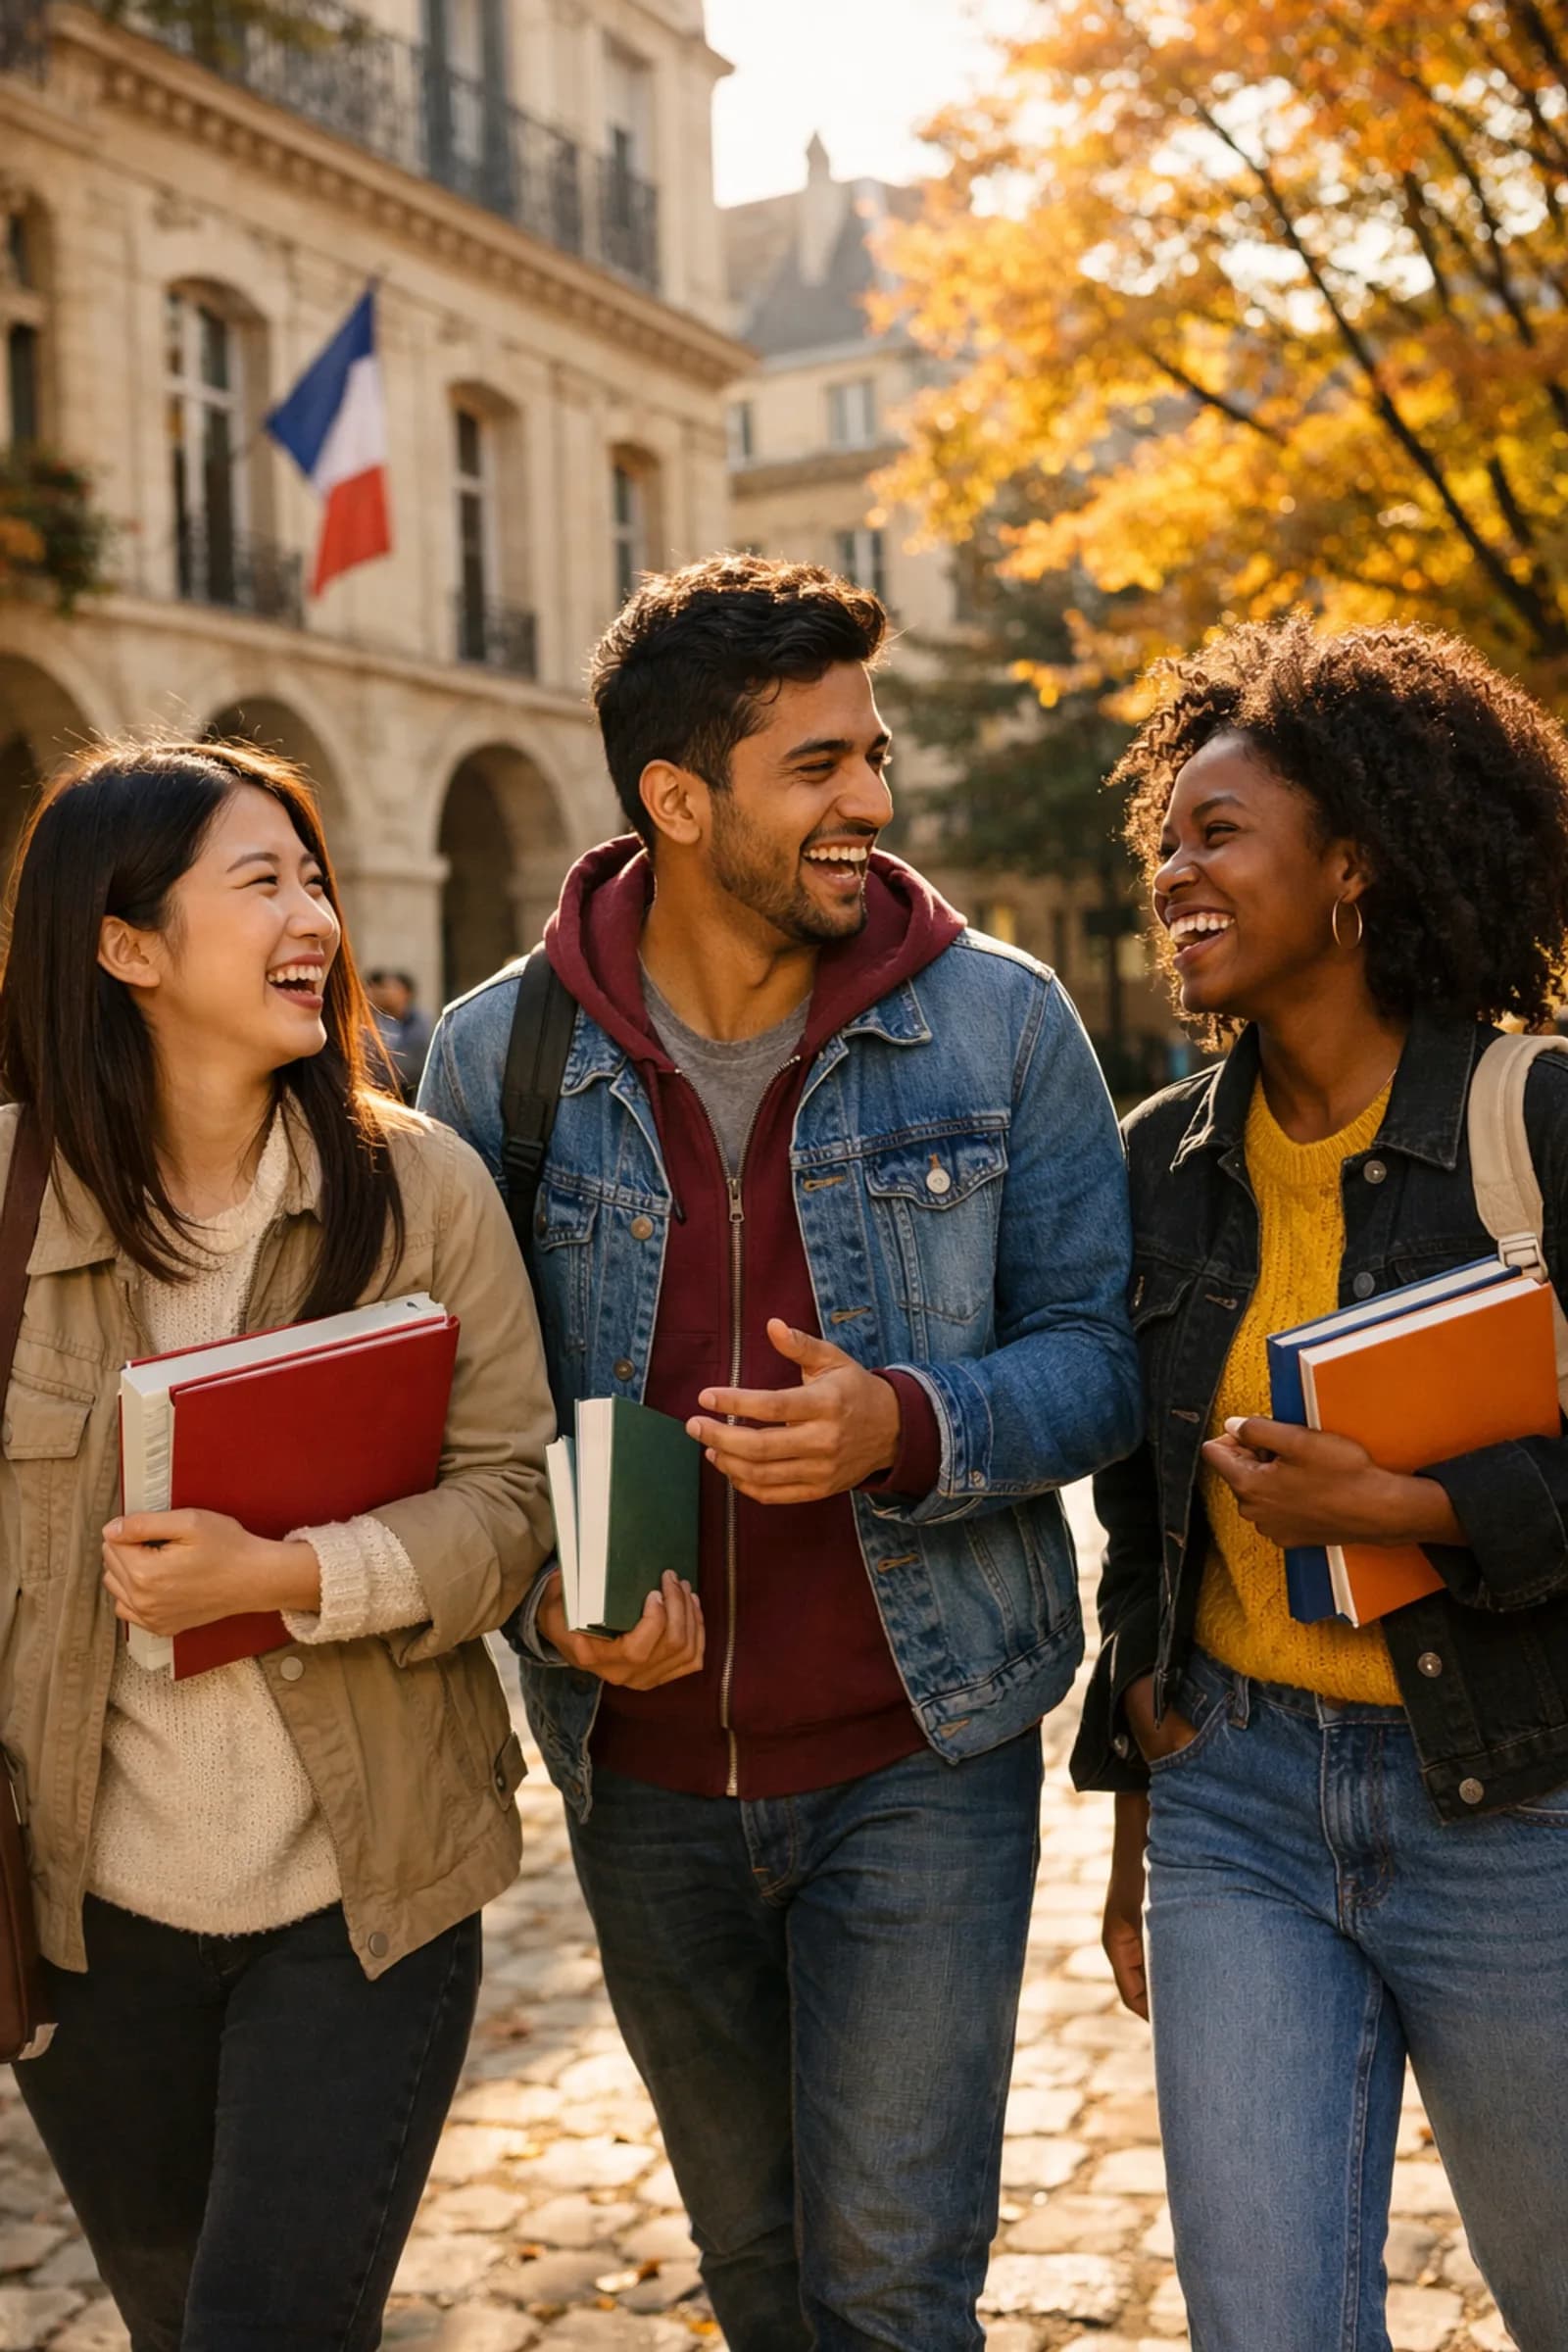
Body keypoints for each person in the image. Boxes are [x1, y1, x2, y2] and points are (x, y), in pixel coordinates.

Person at [418, 553, 1142, 2351]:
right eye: (816, 765)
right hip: (642, 1781)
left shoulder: (1000, 1018)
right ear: (679, 800)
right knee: (759, 2281)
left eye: (871, 754)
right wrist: (551, 1617)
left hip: (925, 1751)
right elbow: (462, 1430)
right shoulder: (495, 1062)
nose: (872, 801)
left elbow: (1104, 1366)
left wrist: (903, 1424)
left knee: (891, 2293)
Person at [0, 738, 554, 2350]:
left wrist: (288, 1578)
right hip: (85, 1928)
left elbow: (511, 1501)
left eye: (314, 875)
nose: (313, 915)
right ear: (127, 944)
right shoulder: (9, 1202)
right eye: (264, 882)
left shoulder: (420, 1188)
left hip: (363, 1904)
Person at [1071, 618, 1568, 2352]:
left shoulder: (1540, 1123)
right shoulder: (1161, 1164)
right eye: (1167, 836)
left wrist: (1417, 1514)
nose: (1172, 868)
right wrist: (1141, 1788)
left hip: (1516, 1802)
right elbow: (1147, 1515)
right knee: (1265, 2324)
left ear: (1350, 867)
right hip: (1241, 1814)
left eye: (1219, 833)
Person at [367, 966, 433, 1100]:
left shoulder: (419, 1023)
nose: (386, 993)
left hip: (410, 1095)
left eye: (393, 988)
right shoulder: (371, 1021)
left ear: (407, 994)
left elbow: (415, 1063)